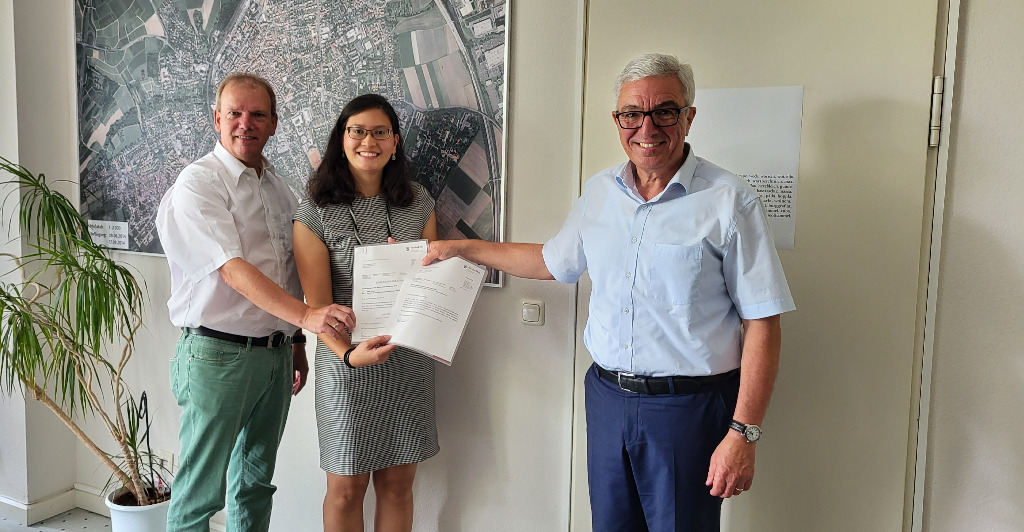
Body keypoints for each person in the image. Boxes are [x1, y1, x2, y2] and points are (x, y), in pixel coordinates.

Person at [423, 53, 795, 531]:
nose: (647, 127)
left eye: (665, 110)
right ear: (617, 121)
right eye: (632, 114)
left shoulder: (729, 200)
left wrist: (744, 432)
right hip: (607, 400)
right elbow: (551, 261)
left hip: (689, 409)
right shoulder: (600, 192)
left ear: (689, 116)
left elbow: (763, 320)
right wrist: (462, 249)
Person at [156, 72, 356, 532]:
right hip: (216, 357)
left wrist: (296, 339)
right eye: (235, 113)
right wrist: (307, 316)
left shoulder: (279, 188)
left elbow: (287, 267)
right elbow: (232, 269)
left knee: (255, 484)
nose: (245, 123)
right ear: (217, 119)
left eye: (257, 115)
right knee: (199, 495)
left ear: (273, 124)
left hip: (274, 357)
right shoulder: (199, 184)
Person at [292, 93, 439, 532]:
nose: (368, 141)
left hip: (407, 359)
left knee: (398, 485)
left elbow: (435, 281)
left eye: (380, 132)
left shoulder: (419, 202)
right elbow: (316, 309)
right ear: (342, 139)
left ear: (395, 141)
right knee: (346, 490)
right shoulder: (315, 211)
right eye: (357, 131)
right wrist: (349, 355)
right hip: (346, 364)